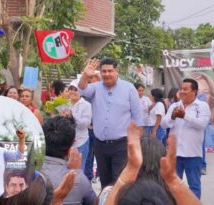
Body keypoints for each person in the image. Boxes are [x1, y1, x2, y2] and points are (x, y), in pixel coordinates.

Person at [77, 58, 142, 188]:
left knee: (119, 181)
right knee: (105, 182)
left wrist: (136, 144)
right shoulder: (96, 88)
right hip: (100, 144)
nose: (106, 74)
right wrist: (85, 76)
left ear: (117, 71)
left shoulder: (129, 89)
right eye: (103, 71)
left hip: (121, 144)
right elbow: (82, 89)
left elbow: (137, 117)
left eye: (110, 71)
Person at [104, 122, 201, 205]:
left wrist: (130, 170)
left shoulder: (111, 194)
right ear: (160, 167)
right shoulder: (174, 197)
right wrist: (173, 180)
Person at [161, 78, 211, 198]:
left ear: (195, 91)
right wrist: (172, 117)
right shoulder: (174, 105)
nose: (182, 91)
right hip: (175, 154)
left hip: (193, 154)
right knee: (172, 186)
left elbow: (202, 124)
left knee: (194, 187)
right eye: (181, 89)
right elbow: (164, 124)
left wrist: (184, 116)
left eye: (185, 89)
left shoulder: (203, 106)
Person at [40, 116, 96, 204]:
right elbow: (93, 202)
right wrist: (77, 172)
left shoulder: (26, 173)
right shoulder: (79, 179)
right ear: (73, 143)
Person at [68, 80, 92, 171]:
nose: (72, 92)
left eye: (76, 89)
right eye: (71, 89)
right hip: (67, 142)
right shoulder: (65, 103)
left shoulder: (86, 105)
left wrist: (72, 116)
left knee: (79, 169)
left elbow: (85, 124)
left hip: (81, 141)